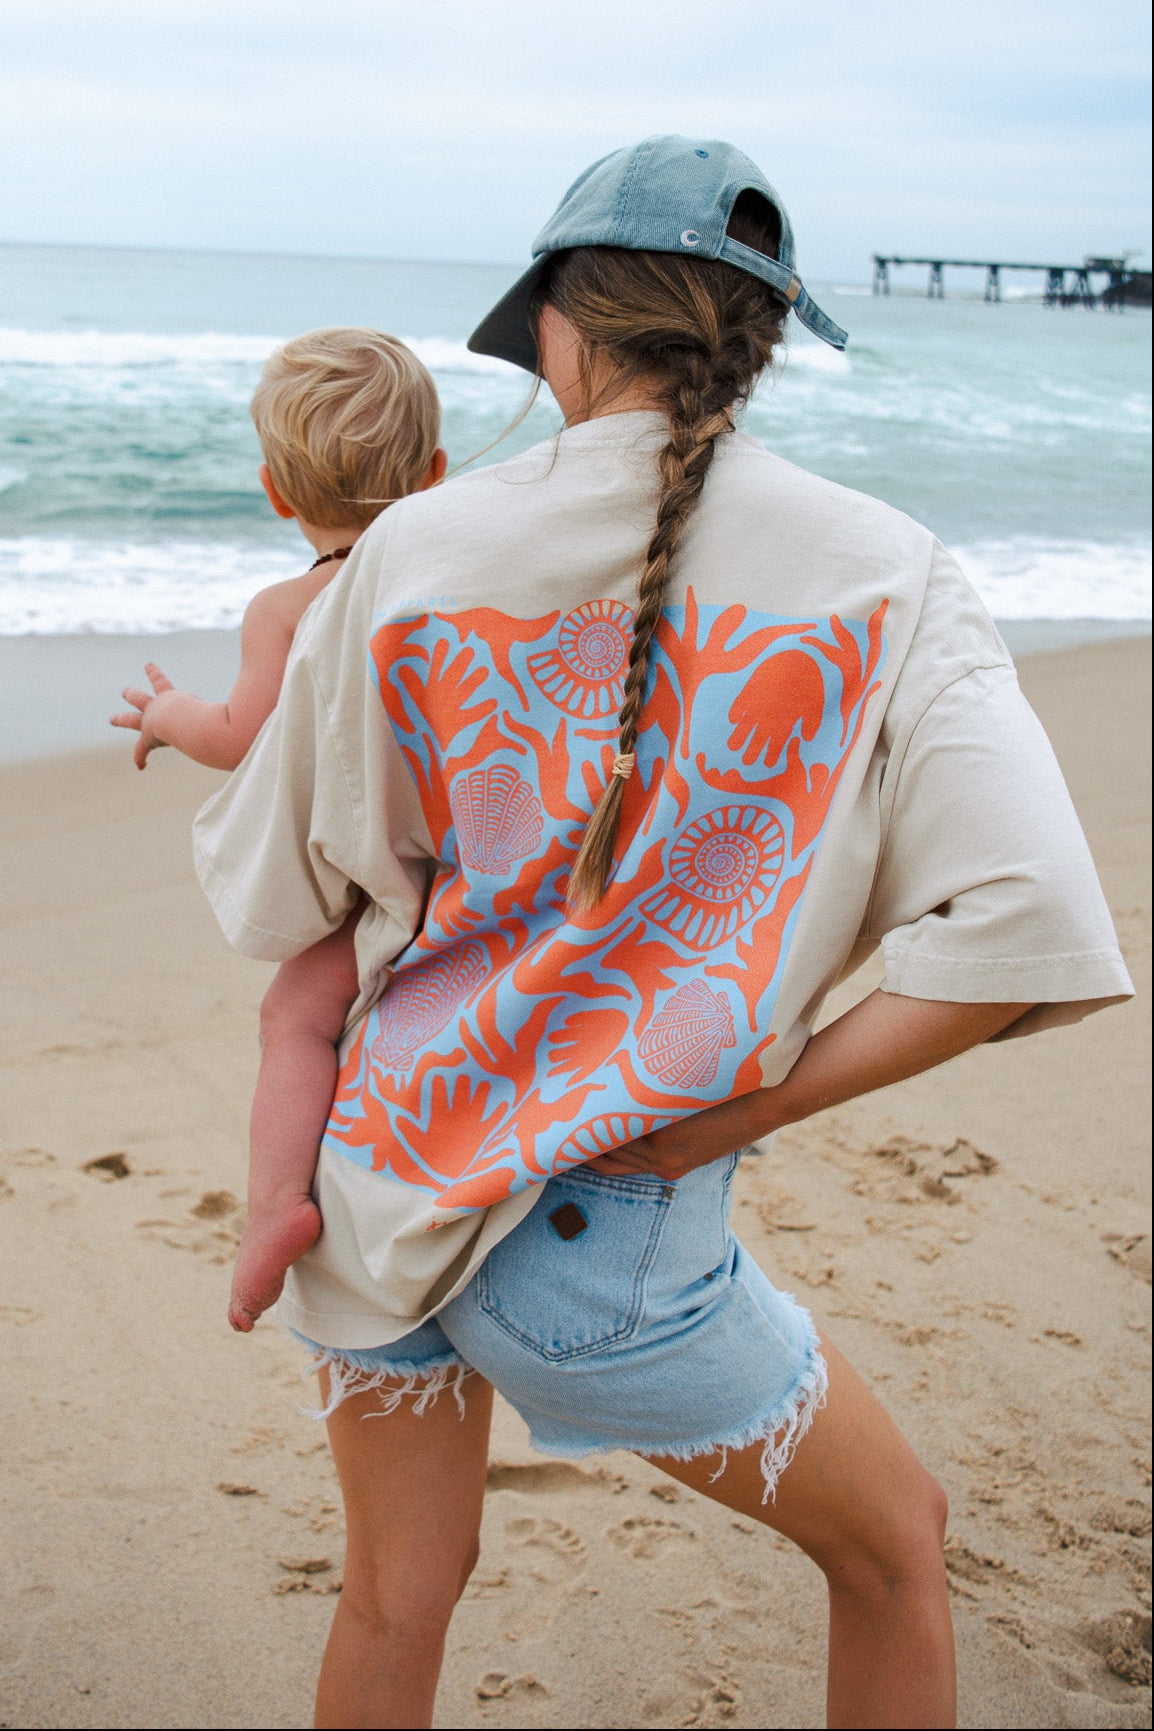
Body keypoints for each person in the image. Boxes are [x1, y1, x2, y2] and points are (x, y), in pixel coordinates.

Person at [192, 138, 1132, 1730]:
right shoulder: (888, 575)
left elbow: (285, 893)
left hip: (379, 1171)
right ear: (758, 338)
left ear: (558, 319)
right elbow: (1029, 917)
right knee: (895, 1545)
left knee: (391, 1600)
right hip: (598, 1241)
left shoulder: (416, 551)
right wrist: (752, 1104)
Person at [112, 327, 446, 1330]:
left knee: (292, 1018)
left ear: (275, 493)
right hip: (481, 863)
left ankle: (271, 1213)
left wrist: (168, 719)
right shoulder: (456, 587)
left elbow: (234, 735)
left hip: (379, 888)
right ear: (434, 475)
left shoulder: (288, 609)